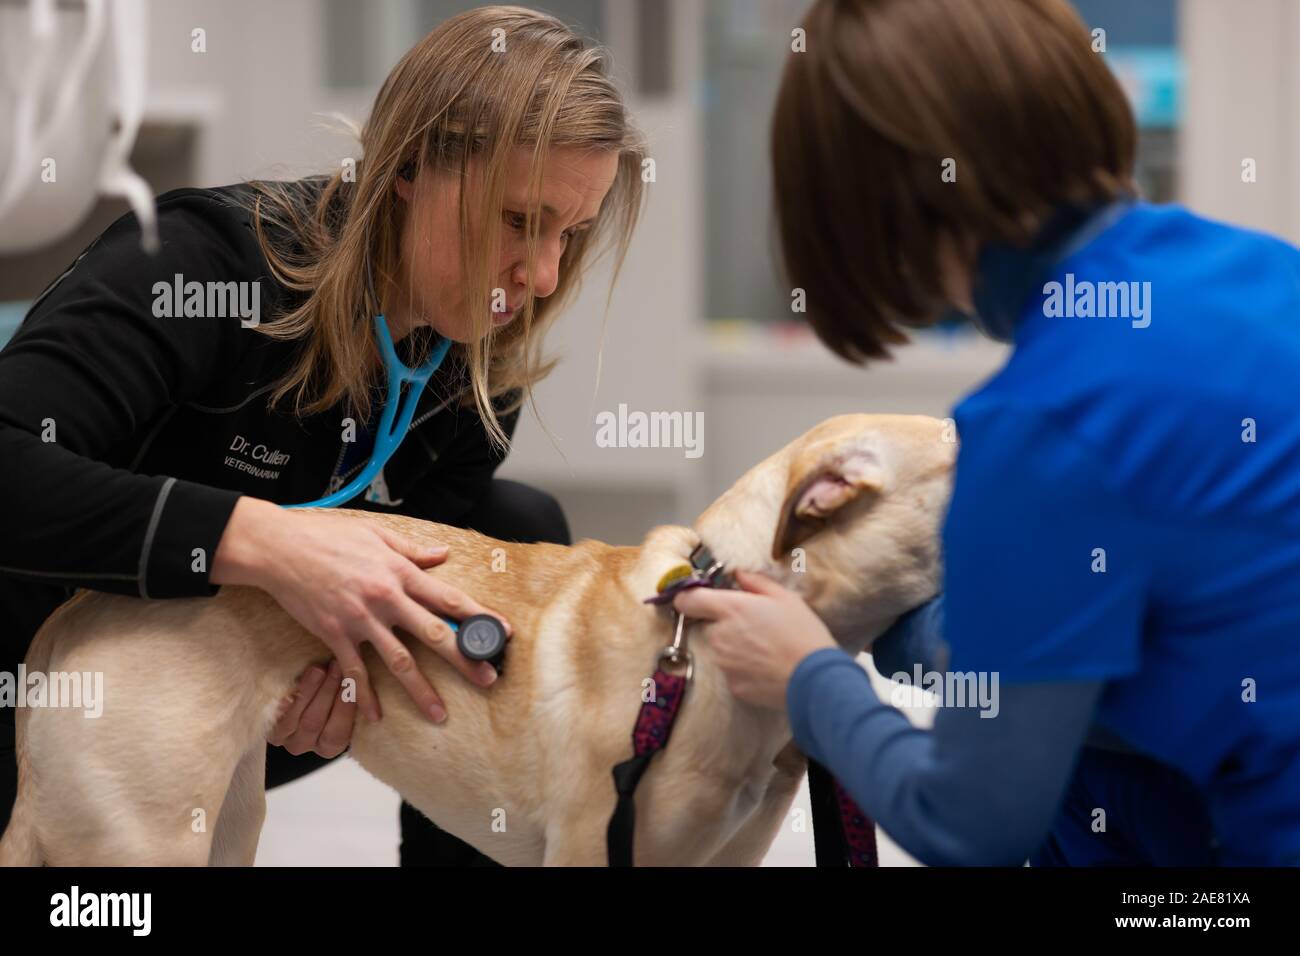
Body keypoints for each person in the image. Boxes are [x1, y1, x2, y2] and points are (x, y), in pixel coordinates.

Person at [0, 5, 646, 866]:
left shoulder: (469, 376)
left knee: (517, 530)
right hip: (39, 669)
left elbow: (400, 619)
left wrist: (340, 682)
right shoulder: (201, 267)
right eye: (519, 221)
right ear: (412, 163)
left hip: (219, 688)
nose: (543, 274)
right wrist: (262, 539)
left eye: (572, 234)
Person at [675, 0, 1300, 866]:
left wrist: (808, 678)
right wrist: (946, 643)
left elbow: (967, 823)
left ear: (878, 208)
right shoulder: (1267, 272)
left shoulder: (1044, 421)